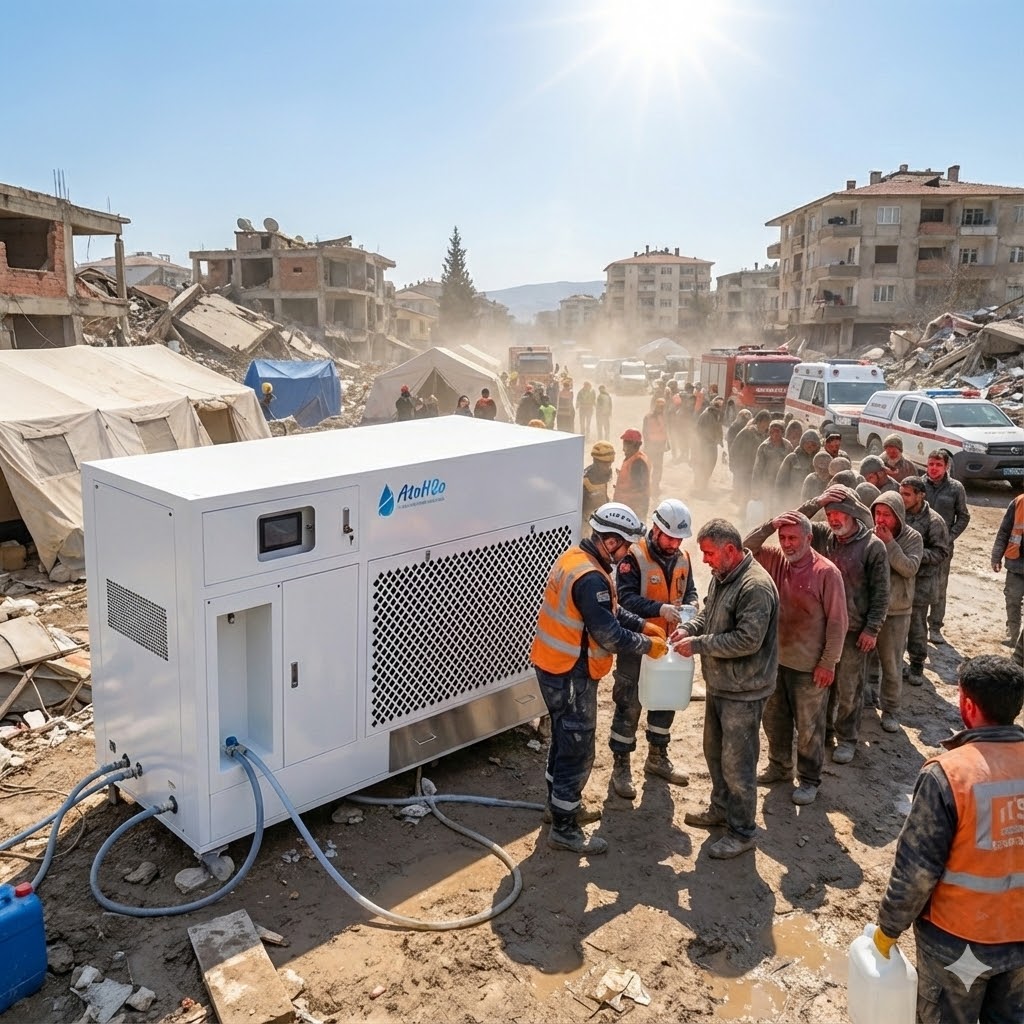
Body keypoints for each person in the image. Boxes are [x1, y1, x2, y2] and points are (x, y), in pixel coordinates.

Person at [874, 655, 1024, 1024]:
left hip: (958, 943)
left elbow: (916, 871)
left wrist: (888, 929)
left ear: (967, 704)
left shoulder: (949, 774)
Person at [530, 502, 668, 855]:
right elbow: (608, 634)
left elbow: (611, 609)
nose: (626, 556)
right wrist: (646, 644)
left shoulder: (578, 559)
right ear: (610, 542)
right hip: (570, 673)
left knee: (563, 739)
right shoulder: (591, 578)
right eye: (624, 547)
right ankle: (564, 828)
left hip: (554, 665)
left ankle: (555, 807)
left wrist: (640, 623)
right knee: (577, 748)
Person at [670, 519, 780, 859]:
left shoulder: (755, 587)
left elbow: (748, 640)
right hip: (722, 685)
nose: (705, 561)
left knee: (738, 764)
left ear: (730, 550)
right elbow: (709, 615)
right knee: (714, 752)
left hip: (745, 692)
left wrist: (699, 644)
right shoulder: (724, 577)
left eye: (709, 553)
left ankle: (742, 830)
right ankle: (721, 809)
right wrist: (689, 627)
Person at [744, 511, 847, 805]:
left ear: (809, 539)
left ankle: (810, 779)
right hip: (775, 661)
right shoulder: (775, 558)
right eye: (783, 537)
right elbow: (744, 549)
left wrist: (828, 663)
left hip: (809, 668)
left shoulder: (826, 572)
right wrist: (769, 524)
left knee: (809, 728)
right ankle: (779, 766)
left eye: (793, 538)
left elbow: (838, 622)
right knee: (774, 719)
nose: (787, 544)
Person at [793, 485, 890, 764]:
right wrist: (818, 500)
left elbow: (882, 593)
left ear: (852, 513)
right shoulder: (824, 535)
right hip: (821, 628)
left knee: (849, 688)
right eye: (829, 512)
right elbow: (792, 522)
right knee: (822, 685)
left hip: (854, 632)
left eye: (839, 512)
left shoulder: (872, 546)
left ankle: (847, 738)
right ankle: (825, 732)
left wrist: (872, 629)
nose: (833, 518)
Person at [609, 499, 698, 799]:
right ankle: (621, 764)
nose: (674, 543)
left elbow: (691, 589)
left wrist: (693, 606)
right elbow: (623, 599)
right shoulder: (633, 557)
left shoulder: (683, 556)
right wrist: (659, 608)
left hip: (668, 644)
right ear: (657, 529)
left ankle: (657, 757)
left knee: (665, 699)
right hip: (637, 643)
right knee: (629, 701)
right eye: (669, 536)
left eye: (679, 538)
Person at [866, 492, 923, 733]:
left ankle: (891, 709)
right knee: (866, 660)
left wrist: (889, 544)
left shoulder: (912, 537)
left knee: (892, 664)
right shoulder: (869, 535)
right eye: (877, 513)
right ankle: (868, 696)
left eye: (886, 515)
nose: (880, 519)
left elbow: (909, 568)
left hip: (897, 611)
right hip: (869, 609)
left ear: (898, 516)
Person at [899, 477, 951, 688]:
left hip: (921, 582)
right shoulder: (898, 513)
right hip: (900, 579)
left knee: (917, 626)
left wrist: (915, 554)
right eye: (901, 493)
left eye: (907, 494)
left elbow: (941, 552)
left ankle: (917, 664)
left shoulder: (934, 521)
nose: (902, 498)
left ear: (920, 495)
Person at [924, 449, 970, 644]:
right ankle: (916, 627)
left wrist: (949, 537)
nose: (934, 469)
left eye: (938, 465)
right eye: (931, 464)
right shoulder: (919, 484)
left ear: (946, 467)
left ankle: (935, 627)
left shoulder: (955, 488)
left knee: (939, 587)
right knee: (918, 585)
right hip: (920, 546)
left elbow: (964, 516)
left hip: (943, 549)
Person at [991, 490, 1024, 646]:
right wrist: (996, 557)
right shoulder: (1019, 502)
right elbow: (1004, 531)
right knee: (1013, 600)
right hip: (1017, 563)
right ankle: (1013, 634)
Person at [751, 420, 793, 513]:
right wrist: (755, 487)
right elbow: (758, 468)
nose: (774, 434)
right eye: (772, 431)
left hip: (783, 483)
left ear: (782, 432)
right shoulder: (764, 447)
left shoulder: (788, 446)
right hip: (767, 482)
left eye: (777, 431)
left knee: (781, 507)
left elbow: (791, 465)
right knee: (767, 507)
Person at [775, 430, 822, 510]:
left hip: (812, 501)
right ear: (802, 443)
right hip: (792, 500)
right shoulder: (792, 458)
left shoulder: (819, 459)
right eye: (807, 443)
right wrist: (781, 500)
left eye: (813, 444)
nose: (810, 447)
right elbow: (781, 481)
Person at [731, 410, 770, 505]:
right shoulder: (748, 431)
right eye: (765, 421)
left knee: (749, 490)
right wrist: (733, 463)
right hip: (743, 466)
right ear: (759, 420)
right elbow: (735, 446)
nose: (766, 425)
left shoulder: (765, 436)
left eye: (768, 422)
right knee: (742, 489)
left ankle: (743, 508)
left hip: (754, 468)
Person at [613, 428, 651, 521]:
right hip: (629, 507)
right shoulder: (633, 458)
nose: (623, 449)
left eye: (625, 445)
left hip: (633, 509)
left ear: (634, 445)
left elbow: (639, 487)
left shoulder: (638, 462)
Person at [582, 442, 616, 536]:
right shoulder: (585, 480)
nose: (608, 467)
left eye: (610, 464)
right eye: (605, 464)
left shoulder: (608, 473)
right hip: (588, 524)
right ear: (595, 461)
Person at [642, 398, 671, 495]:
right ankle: (646, 486)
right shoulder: (648, 417)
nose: (661, 408)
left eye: (663, 407)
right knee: (648, 466)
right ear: (656, 406)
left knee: (658, 467)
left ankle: (655, 486)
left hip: (660, 446)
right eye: (660, 406)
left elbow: (665, 430)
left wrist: (667, 442)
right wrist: (647, 445)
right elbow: (645, 432)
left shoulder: (664, 417)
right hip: (651, 446)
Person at [694, 396, 724, 486]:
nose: (718, 408)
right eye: (716, 405)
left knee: (711, 463)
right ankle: (699, 483)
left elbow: (719, 428)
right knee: (703, 463)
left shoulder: (717, 415)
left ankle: (704, 481)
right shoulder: (705, 415)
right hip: (704, 444)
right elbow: (698, 429)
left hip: (713, 444)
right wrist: (706, 438)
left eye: (719, 406)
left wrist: (720, 439)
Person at [673, 383, 697, 463]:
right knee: (688, 439)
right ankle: (687, 456)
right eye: (692, 388)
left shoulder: (680, 394)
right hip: (687, 420)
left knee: (682, 438)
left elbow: (676, 404)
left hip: (680, 419)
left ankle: (684, 455)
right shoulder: (692, 397)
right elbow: (691, 408)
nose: (693, 390)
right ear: (689, 389)